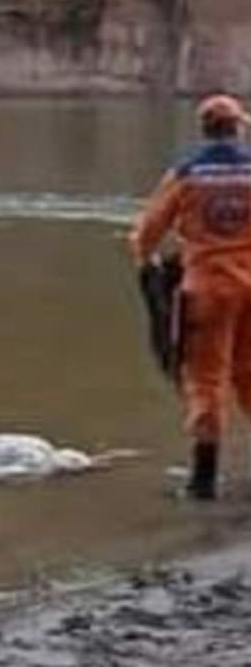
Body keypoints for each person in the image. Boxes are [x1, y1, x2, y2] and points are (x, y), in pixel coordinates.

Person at [130, 93, 251, 500]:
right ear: (237, 128)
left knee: (206, 380)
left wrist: (148, 267)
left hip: (207, 290)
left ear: (204, 130)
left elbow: (147, 233)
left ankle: (203, 479)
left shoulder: (187, 172)